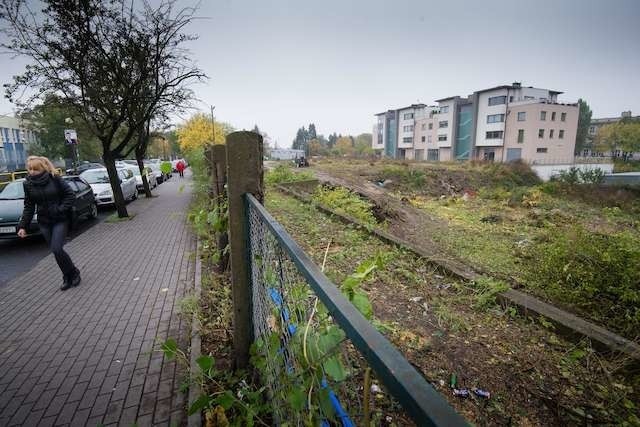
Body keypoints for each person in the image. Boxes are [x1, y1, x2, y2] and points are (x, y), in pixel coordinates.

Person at [17, 156, 81, 291]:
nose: (32, 172)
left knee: (57, 248)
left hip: (59, 219)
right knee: (55, 251)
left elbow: (70, 195)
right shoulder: (27, 184)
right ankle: (67, 275)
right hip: (44, 222)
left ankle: (74, 272)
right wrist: (23, 226)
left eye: (35, 169)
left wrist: (60, 209)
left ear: (42, 168)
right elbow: (29, 206)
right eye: (30, 169)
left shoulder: (54, 178)